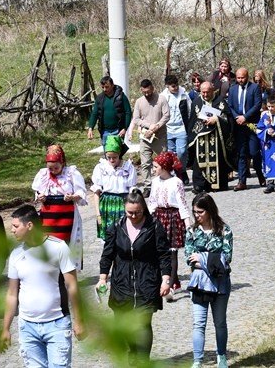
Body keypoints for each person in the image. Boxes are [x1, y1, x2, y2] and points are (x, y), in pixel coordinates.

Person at [2, 205, 84, 368]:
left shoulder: (58, 247)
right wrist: (6, 328)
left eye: (16, 226)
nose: (12, 230)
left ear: (29, 225)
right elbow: (11, 294)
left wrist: (79, 321)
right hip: (27, 327)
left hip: (57, 324)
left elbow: (72, 286)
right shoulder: (16, 254)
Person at [97, 189, 172, 359]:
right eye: (129, 212)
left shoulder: (154, 226)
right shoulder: (117, 226)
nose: (133, 216)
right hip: (121, 282)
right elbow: (107, 254)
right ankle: (131, 353)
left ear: (143, 209)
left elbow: (164, 254)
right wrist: (102, 278)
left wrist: (166, 279)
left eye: (137, 212)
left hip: (147, 281)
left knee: (143, 325)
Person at [185, 194, 233, 368]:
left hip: (220, 284)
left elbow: (226, 259)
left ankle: (221, 356)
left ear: (210, 210)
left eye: (200, 212)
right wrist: (210, 260)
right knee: (198, 323)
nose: (196, 215)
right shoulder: (191, 231)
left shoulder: (224, 231)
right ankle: (197, 361)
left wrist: (201, 258)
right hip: (199, 284)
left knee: (220, 322)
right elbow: (189, 259)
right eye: (194, 212)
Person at [31, 144, 87, 270]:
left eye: (56, 168)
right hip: (48, 216)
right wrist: (40, 197)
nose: (53, 171)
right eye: (50, 168)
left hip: (66, 216)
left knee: (64, 243)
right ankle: (50, 270)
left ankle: (65, 271)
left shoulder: (71, 173)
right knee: (48, 242)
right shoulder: (43, 174)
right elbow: (38, 192)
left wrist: (72, 197)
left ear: (62, 163)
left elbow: (81, 193)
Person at [147, 154, 192, 296]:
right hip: (159, 217)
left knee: (172, 252)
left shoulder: (176, 182)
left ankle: (171, 284)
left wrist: (188, 224)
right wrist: (147, 219)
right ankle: (175, 281)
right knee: (160, 250)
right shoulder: (155, 182)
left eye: (156, 167)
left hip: (172, 217)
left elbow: (182, 203)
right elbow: (152, 201)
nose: (153, 169)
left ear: (164, 167)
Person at [188, 82, 234, 193]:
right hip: (201, 139)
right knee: (199, 160)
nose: (205, 95)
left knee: (218, 159)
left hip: (217, 138)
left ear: (212, 91)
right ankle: (199, 185)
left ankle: (218, 184)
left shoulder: (220, 102)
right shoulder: (196, 102)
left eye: (207, 92)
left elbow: (228, 118)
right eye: (203, 92)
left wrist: (217, 119)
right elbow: (193, 122)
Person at [90, 135, 137, 240]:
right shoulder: (101, 167)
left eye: (114, 157)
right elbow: (96, 192)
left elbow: (132, 190)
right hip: (106, 205)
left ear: (119, 154)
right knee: (108, 237)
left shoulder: (128, 167)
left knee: (124, 236)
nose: (111, 160)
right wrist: (98, 213)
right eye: (109, 157)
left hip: (123, 203)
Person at [128, 78, 170, 193]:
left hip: (159, 136)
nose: (147, 94)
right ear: (141, 90)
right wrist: (149, 125)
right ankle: (147, 186)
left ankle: (165, 182)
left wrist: (156, 126)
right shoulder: (139, 102)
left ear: (152, 88)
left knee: (163, 161)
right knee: (145, 163)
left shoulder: (161, 99)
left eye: (148, 91)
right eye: (144, 92)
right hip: (145, 137)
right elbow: (136, 119)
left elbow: (166, 116)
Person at [227, 68, 264, 191]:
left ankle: (260, 175)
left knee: (254, 152)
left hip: (251, 124)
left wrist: (245, 117)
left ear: (247, 77)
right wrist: (237, 117)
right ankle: (242, 181)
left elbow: (257, 104)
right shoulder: (232, 89)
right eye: (238, 78)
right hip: (239, 126)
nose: (240, 80)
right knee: (241, 153)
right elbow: (230, 106)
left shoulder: (255, 88)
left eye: (242, 78)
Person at [161, 74, 192, 184]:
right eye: (173, 86)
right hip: (168, 129)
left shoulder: (183, 94)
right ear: (167, 86)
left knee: (182, 152)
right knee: (171, 153)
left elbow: (189, 108)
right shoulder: (163, 97)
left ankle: (182, 170)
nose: (175, 88)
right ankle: (175, 174)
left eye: (176, 85)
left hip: (181, 127)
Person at [87, 76, 131, 146]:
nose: (104, 89)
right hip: (105, 131)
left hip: (118, 131)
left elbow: (128, 112)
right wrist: (90, 128)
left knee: (116, 152)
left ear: (112, 85)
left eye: (107, 87)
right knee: (108, 152)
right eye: (103, 87)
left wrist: (125, 128)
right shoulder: (100, 98)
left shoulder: (121, 97)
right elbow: (94, 114)